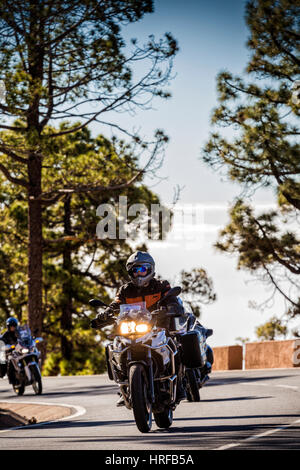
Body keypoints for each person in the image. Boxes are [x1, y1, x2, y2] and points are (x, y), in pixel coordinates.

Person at [91, 251, 187, 405]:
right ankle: (125, 386)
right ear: (130, 272)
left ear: (150, 269)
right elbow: (115, 304)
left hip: (158, 328)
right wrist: (105, 314)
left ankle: (180, 384)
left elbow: (172, 299)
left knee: (175, 344)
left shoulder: (161, 285)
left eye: (142, 270)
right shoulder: (125, 290)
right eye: (135, 270)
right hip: (133, 329)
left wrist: (170, 307)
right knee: (114, 347)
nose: (138, 274)